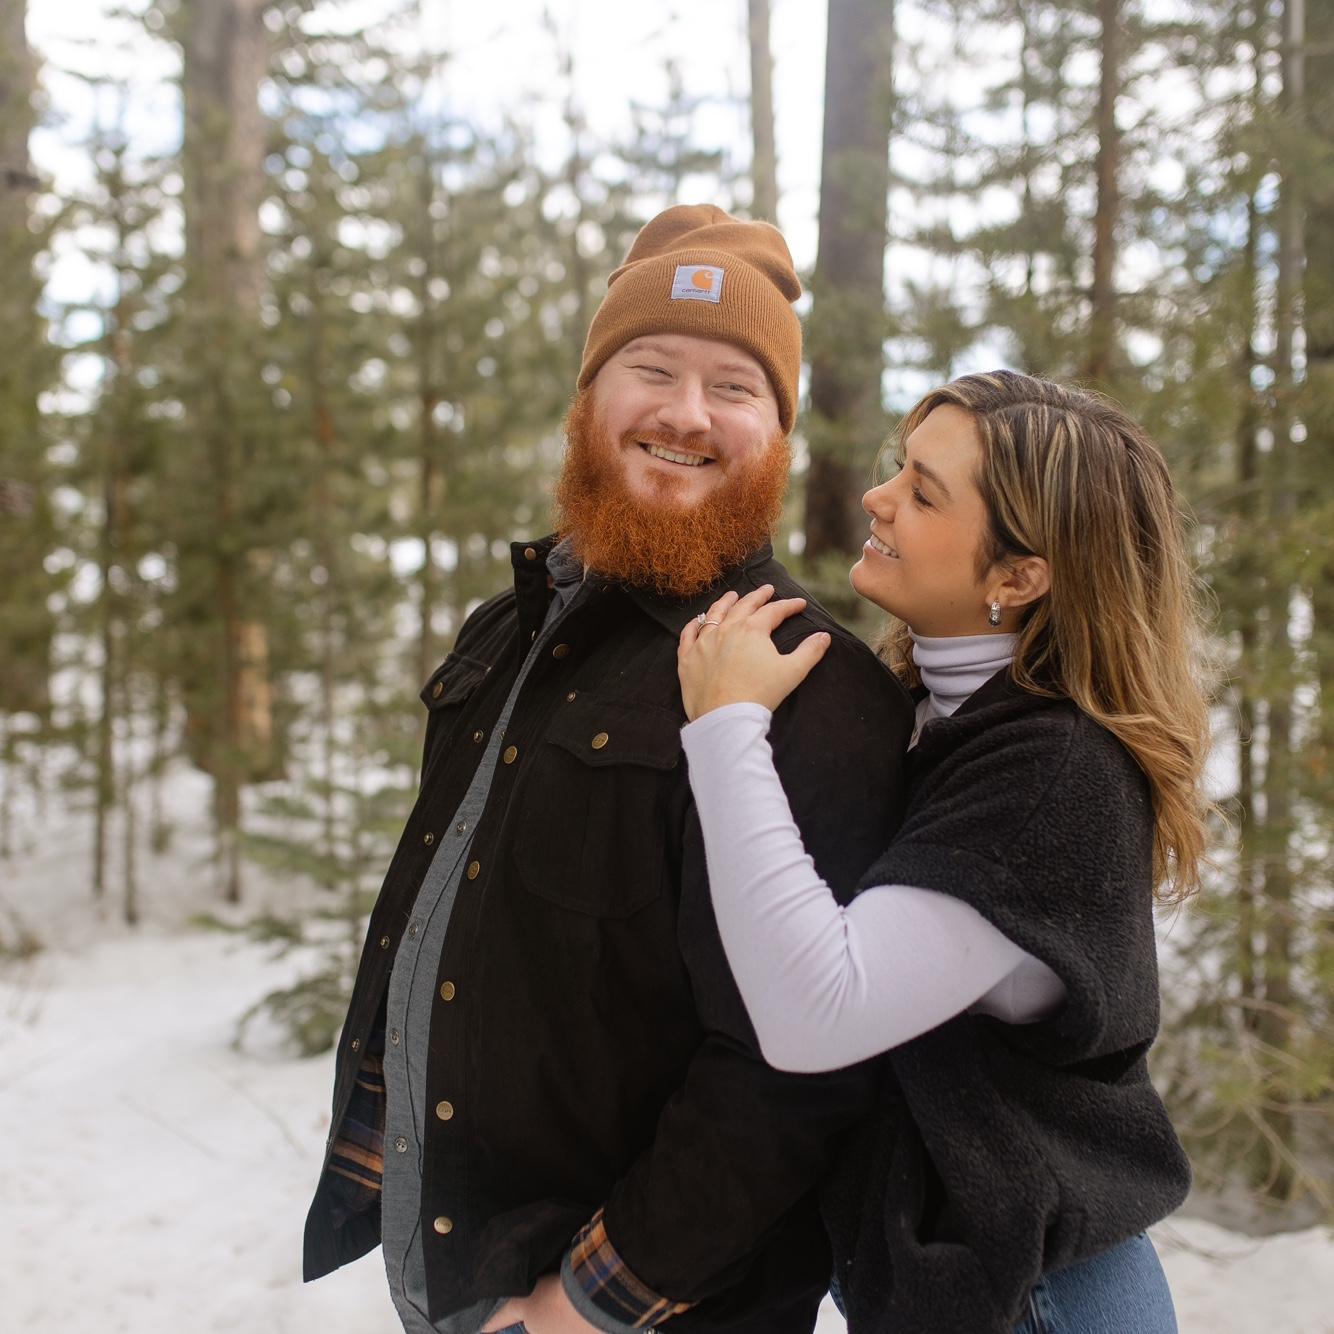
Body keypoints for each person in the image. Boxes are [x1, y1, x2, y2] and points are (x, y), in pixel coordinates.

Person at [302, 204, 916, 1334]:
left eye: (734, 387)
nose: (686, 414)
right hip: (456, 1270)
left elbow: (796, 1069)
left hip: (630, 1310)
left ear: (778, 433)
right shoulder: (507, 629)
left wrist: (581, 1302)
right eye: (652, 368)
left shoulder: (811, 686)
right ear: (588, 397)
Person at [675, 371, 1209, 1334]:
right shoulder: (940, 715)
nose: (877, 498)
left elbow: (816, 1009)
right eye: (899, 470)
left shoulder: (1053, 773)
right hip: (980, 1283)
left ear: (1018, 578)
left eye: (923, 494)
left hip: (1037, 1299)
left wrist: (726, 724)